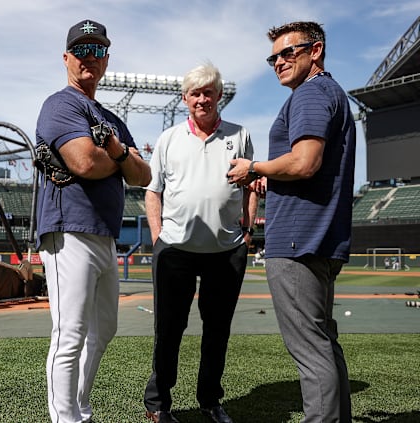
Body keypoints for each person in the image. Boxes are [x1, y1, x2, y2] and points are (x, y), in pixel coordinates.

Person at [227, 21, 355, 422]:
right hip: (318, 237)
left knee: (310, 351)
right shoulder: (329, 92)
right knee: (322, 342)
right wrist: (272, 175)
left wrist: (254, 167)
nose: (278, 62)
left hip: (300, 241)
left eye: (288, 53)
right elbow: (305, 166)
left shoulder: (311, 94)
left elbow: (304, 163)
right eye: (273, 57)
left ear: (314, 51)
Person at [35, 19, 151, 423]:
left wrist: (116, 154)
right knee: (69, 335)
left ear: (106, 60)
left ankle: (80, 409)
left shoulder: (113, 120)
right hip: (69, 230)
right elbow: (84, 160)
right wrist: (120, 159)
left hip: (104, 234)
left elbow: (144, 175)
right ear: (67, 57)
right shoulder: (61, 104)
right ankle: (65, 419)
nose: (90, 57)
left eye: (98, 50)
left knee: (104, 331)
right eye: (82, 49)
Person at [142, 62, 258, 423]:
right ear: (185, 98)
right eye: (196, 93)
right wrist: (158, 235)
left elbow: (251, 186)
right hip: (174, 250)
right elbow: (153, 192)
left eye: (209, 92)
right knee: (169, 330)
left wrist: (248, 230)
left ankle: (210, 400)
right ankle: (159, 404)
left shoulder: (239, 135)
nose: (202, 99)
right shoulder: (168, 139)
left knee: (217, 330)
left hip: (226, 251)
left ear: (219, 95)